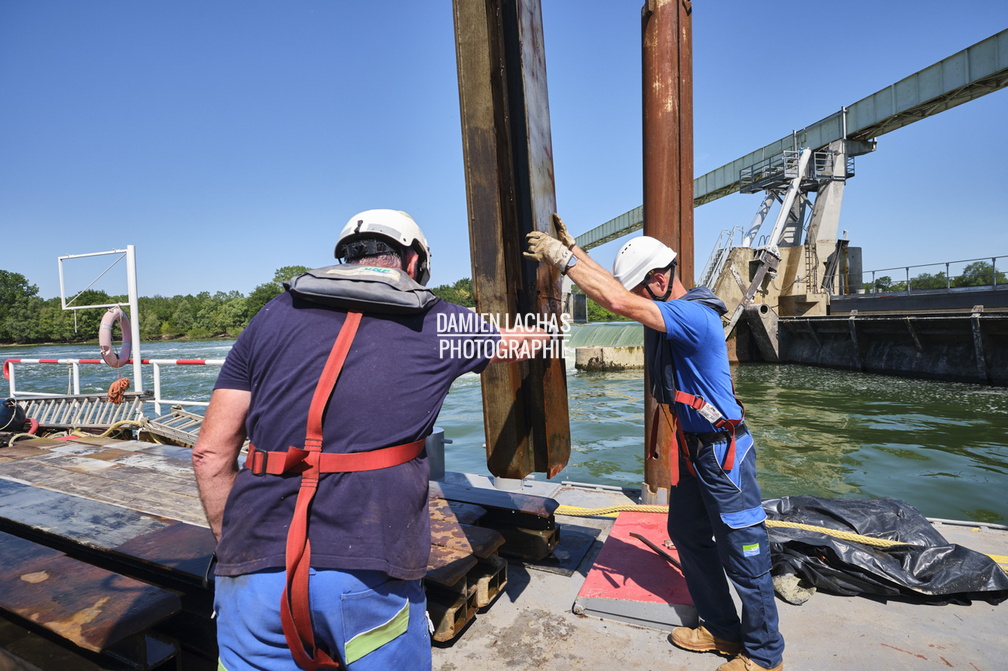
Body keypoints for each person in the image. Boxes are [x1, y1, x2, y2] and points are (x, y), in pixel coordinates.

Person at [193, 209, 545, 671]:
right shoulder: (440, 323)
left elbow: (210, 454)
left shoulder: (273, 315)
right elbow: (519, 343)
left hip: (253, 564)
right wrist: (546, 326)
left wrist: (235, 545)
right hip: (368, 568)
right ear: (414, 261)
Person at [525, 216, 785, 671]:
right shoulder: (667, 303)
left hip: (723, 455)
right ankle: (722, 631)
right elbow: (620, 291)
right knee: (686, 534)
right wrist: (578, 251)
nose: (637, 300)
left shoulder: (693, 316)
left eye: (642, 289)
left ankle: (765, 657)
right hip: (693, 449)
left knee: (745, 552)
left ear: (660, 279)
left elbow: (618, 300)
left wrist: (562, 260)